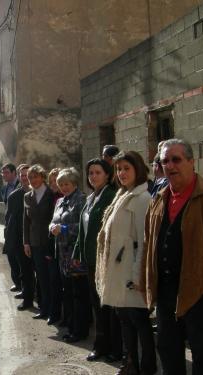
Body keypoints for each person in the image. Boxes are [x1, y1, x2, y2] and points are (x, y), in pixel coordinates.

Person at [141, 138, 203, 375]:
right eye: (165, 161)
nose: (171, 166)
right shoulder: (159, 200)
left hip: (199, 295)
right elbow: (148, 243)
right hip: (165, 294)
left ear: (191, 162)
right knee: (168, 351)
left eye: (176, 159)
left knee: (202, 355)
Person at [96, 151, 157, 375]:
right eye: (119, 169)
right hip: (118, 271)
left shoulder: (142, 198)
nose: (121, 173)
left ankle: (147, 367)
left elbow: (144, 241)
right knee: (125, 322)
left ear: (138, 169)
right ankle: (131, 363)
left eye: (126, 168)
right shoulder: (122, 195)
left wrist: (137, 275)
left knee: (140, 323)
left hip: (130, 274)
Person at [72, 159, 122, 363]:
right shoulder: (90, 198)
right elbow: (82, 229)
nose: (93, 176)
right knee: (97, 306)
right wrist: (77, 252)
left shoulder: (111, 197)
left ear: (108, 175)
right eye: (90, 173)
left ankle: (115, 349)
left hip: (106, 261)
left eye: (97, 172)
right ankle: (101, 345)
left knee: (109, 308)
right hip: (91, 261)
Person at [49, 168, 86, 336]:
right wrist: (52, 227)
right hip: (61, 254)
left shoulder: (81, 199)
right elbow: (53, 221)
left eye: (67, 184)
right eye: (61, 184)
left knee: (78, 295)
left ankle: (79, 330)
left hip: (75, 254)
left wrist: (63, 229)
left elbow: (84, 227)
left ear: (74, 183)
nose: (64, 187)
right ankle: (71, 325)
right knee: (68, 293)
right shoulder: (59, 201)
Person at [23, 164, 55, 321]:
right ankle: (44, 309)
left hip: (50, 243)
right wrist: (26, 242)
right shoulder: (27, 196)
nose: (33, 180)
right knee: (41, 278)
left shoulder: (52, 194)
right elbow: (26, 222)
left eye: (35, 176)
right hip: (34, 243)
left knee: (52, 279)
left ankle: (54, 311)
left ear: (42, 176)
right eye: (30, 178)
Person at [4, 164, 35, 311]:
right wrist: (11, 242)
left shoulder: (40, 194)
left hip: (38, 240)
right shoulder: (14, 197)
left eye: (27, 175)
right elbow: (9, 220)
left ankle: (43, 301)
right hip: (21, 241)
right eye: (22, 175)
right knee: (26, 272)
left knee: (42, 274)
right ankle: (28, 299)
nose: (25, 178)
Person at [1, 162, 21, 292]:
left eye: (7, 172)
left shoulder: (20, 186)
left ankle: (25, 285)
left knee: (20, 257)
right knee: (11, 255)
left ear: (14, 173)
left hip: (19, 226)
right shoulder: (4, 189)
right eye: (3, 173)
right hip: (8, 225)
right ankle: (17, 283)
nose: (4, 175)